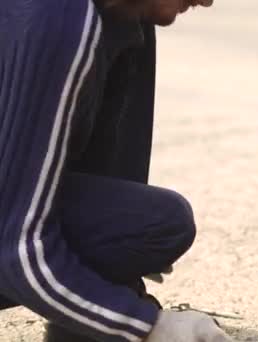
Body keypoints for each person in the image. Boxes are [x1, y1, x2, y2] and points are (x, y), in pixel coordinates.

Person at [0, 0, 232, 341]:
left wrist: (114, 282)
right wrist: (145, 326)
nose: (209, 1)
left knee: (154, 224)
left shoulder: (110, 18)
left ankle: (83, 311)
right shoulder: (61, 21)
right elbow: (16, 249)